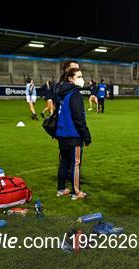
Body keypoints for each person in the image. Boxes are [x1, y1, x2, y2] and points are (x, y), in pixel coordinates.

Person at [54, 67, 92, 200]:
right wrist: (86, 137)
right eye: (79, 77)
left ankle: (61, 189)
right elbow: (78, 118)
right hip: (73, 135)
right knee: (75, 164)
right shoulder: (75, 94)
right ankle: (77, 192)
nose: (82, 79)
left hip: (61, 134)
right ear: (70, 79)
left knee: (64, 163)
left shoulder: (62, 94)